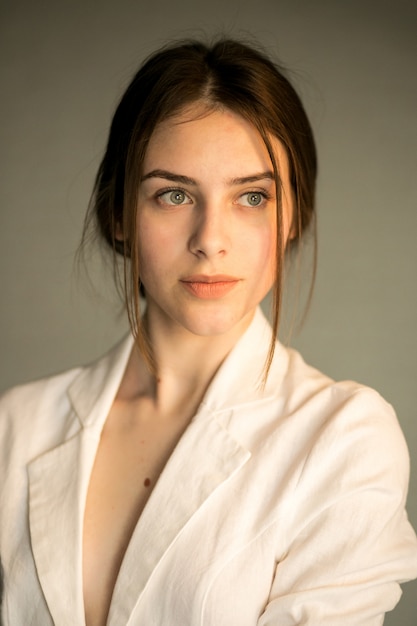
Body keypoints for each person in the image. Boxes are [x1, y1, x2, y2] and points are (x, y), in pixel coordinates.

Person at [0, 37, 416, 626]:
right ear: (118, 213)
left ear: (293, 213)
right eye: (173, 195)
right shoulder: (14, 430)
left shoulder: (343, 440)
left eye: (252, 197)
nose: (210, 239)